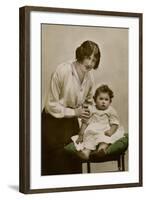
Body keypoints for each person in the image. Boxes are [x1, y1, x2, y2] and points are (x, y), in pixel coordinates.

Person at [41, 40, 101, 175]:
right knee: (55, 168)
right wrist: (75, 111)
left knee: (73, 167)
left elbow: (89, 101)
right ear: (80, 55)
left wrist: (86, 111)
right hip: (51, 124)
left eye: (94, 60)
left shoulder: (90, 76)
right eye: (88, 57)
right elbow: (50, 105)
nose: (90, 63)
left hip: (71, 124)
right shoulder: (62, 70)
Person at [71, 84, 125, 160]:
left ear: (110, 102)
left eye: (106, 100)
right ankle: (85, 153)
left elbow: (114, 123)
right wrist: (81, 134)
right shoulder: (91, 109)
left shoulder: (111, 110)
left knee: (104, 139)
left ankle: (101, 150)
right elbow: (85, 122)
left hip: (104, 130)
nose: (103, 102)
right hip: (92, 130)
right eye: (101, 99)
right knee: (89, 140)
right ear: (95, 100)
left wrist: (110, 131)